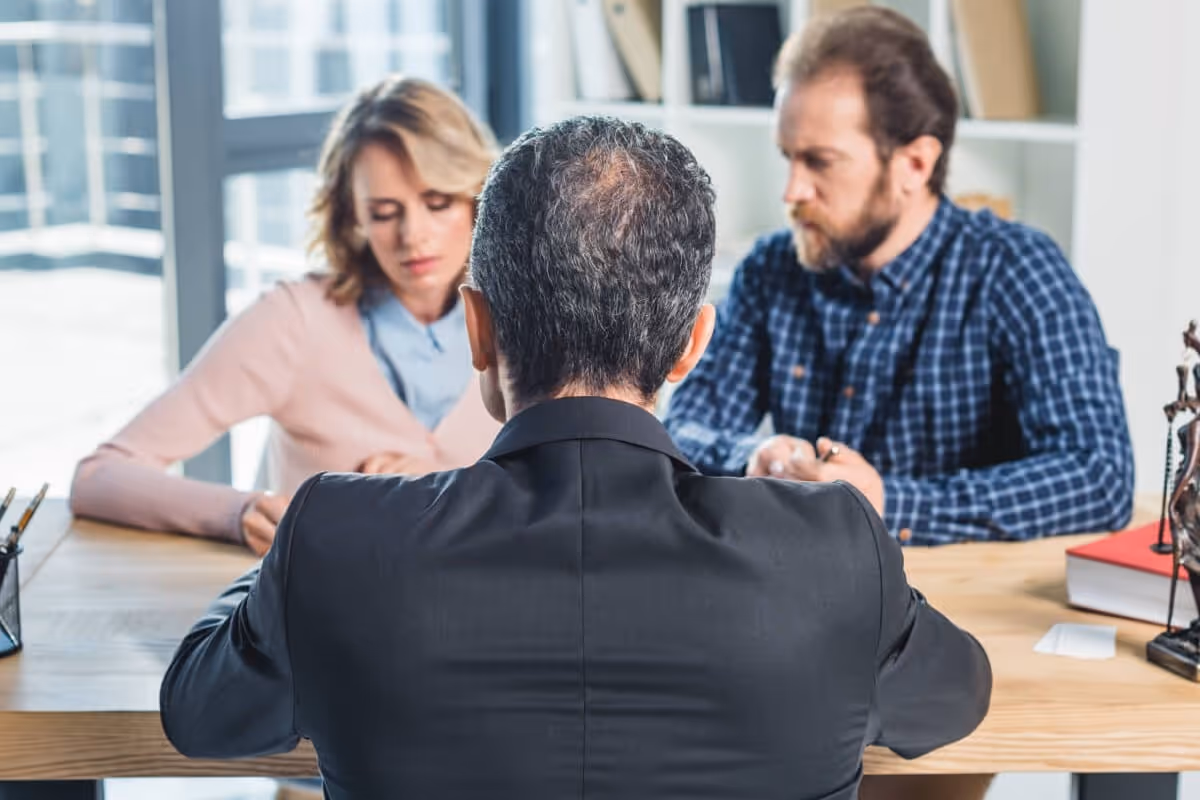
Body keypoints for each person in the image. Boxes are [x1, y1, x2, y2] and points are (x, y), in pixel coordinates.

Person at [158, 116, 991, 800]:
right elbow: (957, 698)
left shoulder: (336, 535)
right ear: (691, 346)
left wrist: (290, 553)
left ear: (476, 328)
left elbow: (198, 713)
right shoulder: (833, 546)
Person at [664, 7, 1135, 550]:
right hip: (809, 596)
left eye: (820, 162)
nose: (791, 191)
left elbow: (1099, 476)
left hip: (959, 607)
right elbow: (683, 433)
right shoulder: (770, 269)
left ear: (915, 164)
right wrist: (753, 459)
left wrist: (888, 502)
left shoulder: (1018, 271)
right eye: (788, 157)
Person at [69, 76, 501, 555]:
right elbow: (98, 477)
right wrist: (239, 512)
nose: (412, 235)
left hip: (489, 615)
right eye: (383, 213)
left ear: (478, 196)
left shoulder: (526, 320)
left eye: (437, 203)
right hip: (325, 616)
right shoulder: (294, 321)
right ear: (351, 215)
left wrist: (434, 491)